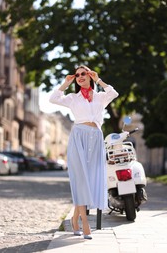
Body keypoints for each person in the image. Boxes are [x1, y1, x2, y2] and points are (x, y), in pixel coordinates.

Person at [49, 65, 119, 239]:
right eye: (77, 75)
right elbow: (53, 98)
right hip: (78, 137)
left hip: (95, 138)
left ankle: (74, 220)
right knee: (80, 180)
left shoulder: (101, 97)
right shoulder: (73, 98)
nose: (80, 76)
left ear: (89, 76)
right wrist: (66, 83)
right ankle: (85, 223)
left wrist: (99, 80)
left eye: (83, 74)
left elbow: (113, 93)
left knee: (91, 179)